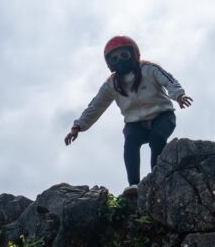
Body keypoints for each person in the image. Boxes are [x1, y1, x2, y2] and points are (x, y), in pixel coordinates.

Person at [65, 35, 192, 196]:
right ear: (109, 63)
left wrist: (179, 95)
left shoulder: (149, 69)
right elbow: (96, 106)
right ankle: (134, 185)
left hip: (162, 115)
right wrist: (78, 127)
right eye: (115, 58)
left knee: (157, 138)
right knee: (130, 142)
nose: (120, 60)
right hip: (135, 123)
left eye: (124, 55)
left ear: (134, 54)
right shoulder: (111, 84)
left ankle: (158, 179)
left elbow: (169, 81)